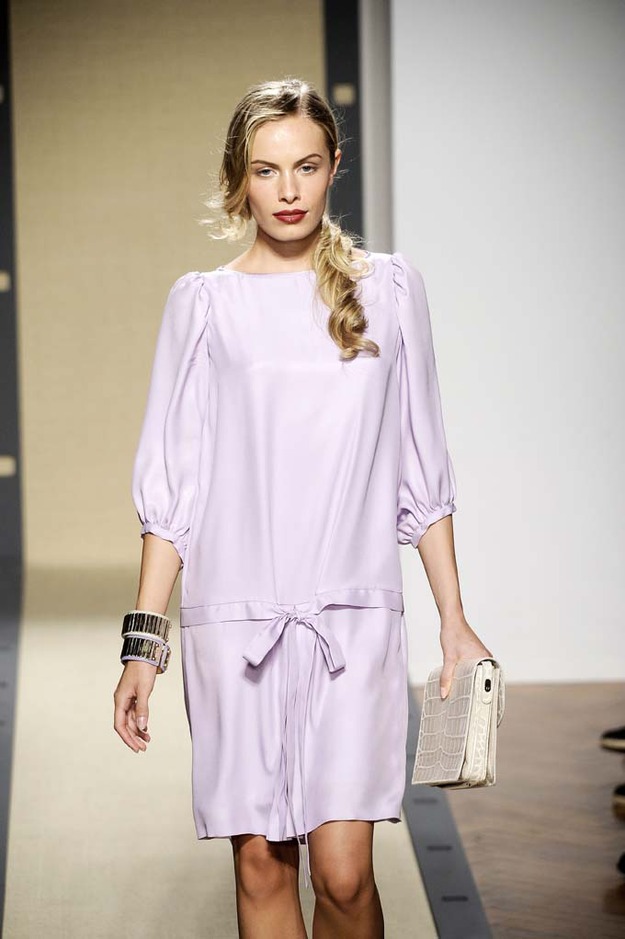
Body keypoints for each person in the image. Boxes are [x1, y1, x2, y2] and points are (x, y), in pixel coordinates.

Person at [113, 77, 493, 939]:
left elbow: (421, 466)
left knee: (345, 874)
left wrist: (453, 618)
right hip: (234, 620)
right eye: (265, 170)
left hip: (351, 619)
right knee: (260, 863)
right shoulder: (202, 305)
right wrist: (143, 645)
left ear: (333, 166)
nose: (287, 190)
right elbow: (172, 491)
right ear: (238, 179)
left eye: (306, 166)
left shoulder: (387, 289)